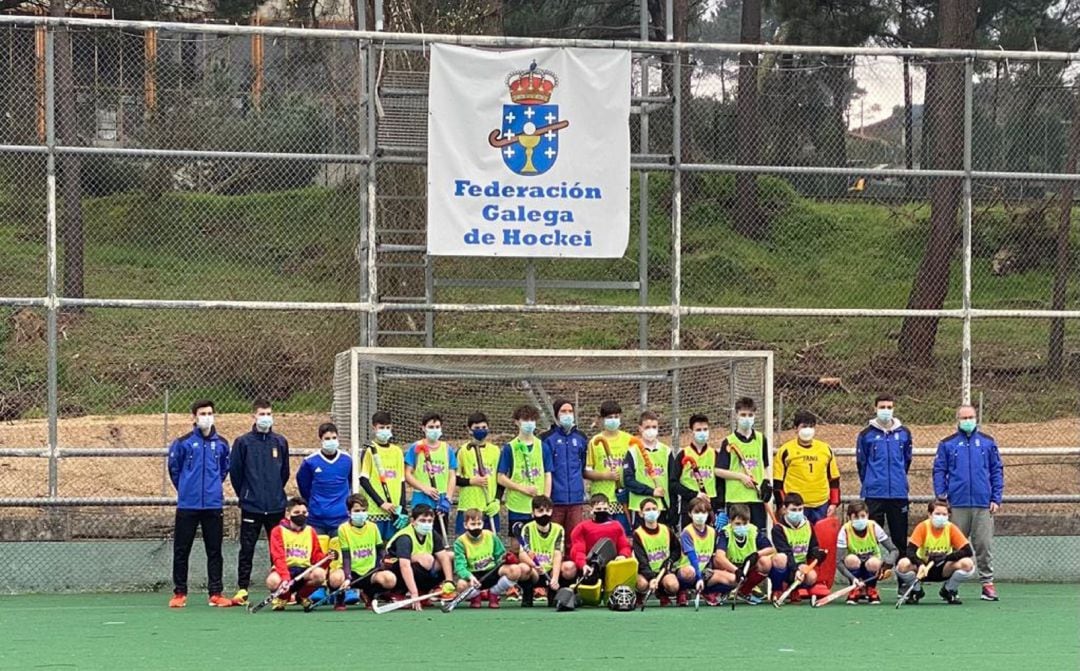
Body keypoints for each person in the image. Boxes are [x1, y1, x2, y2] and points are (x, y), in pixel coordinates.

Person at [933, 405, 1004, 602]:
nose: (967, 420)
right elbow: (939, 470)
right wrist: (941, 495)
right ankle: (950, 587)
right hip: (957, 504)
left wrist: (995, 498)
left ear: (976, 418)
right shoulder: (947, 444)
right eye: (964, 417)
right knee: (955, 547)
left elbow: (996, 470)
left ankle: (987, 584)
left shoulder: (988, 443)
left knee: (983, 545)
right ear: (957, 419)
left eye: (971, 417)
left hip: (983, 503)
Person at [167, 399, 231, 608]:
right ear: (194, 417)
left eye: (209, 413)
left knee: (214, 550)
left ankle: (215, 593)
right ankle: (180, 593)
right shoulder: (182, 442)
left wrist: (212, 489)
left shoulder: (221, 443)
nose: (206, 417)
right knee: (181, 550)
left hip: (213, 505)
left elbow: (223, 470)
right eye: (202, 413)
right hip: (188, 505)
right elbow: (174, 470)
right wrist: (187, 489)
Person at [227, 398, 290, 607]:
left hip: (275, 506)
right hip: (251, 506)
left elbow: (284, 472)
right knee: (247, 548)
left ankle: (281, 592)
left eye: (269, 414)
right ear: (253, 416)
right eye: (262, 414)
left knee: (278, 552)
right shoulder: (243, 442)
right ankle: (243, 589)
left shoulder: (280, 442)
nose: (266, 418)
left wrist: (274, 492)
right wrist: (246, 494)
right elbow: (235, 473)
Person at [855, 393, 913, 559]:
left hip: (898, 493)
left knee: (900, 539)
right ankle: (870, 581)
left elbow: (907, 460)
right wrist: (871, 482)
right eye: (882, 407)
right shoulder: (866, 435)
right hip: (874, 494)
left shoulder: (904, 433)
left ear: (894, 408)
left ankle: (904, 580)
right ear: (875, 409)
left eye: (889, 407)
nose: (885, 410)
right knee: (870, 539)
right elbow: (862, 463)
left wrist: (898, 479)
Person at [895, 500, 976, 605]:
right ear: (929, 514)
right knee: (902, 564)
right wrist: (919, 564)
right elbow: (910, 551)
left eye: (944, 514)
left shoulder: (951, 528)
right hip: (923, 568)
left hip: (944, 568)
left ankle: (949, 590)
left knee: (967, 563)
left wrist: (946, 558)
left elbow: (967, 551)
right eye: (937, 514)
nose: (941, 517)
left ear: (948, 515)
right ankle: (916, 591)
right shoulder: (922, 527)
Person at [327, 494, 397, 611]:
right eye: (357, 510)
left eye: (363, 510)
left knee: (390, 579)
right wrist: (348, 577)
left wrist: (382, 563)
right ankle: (340, 597)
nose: (361, 513)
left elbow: (380, 551)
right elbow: (346, 556)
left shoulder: (373, 527)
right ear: (349, 512)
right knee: (335, 579)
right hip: (350, 571)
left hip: (369, 571)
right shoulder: (343, 529)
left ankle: (369, 594)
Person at [497, 405, 553, 544]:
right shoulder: (510, 448)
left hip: (539, 507)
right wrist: (523, 489)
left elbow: (547, 474)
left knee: (539, 543)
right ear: (517, 422)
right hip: (518, 505)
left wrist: (546, 498)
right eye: (525, 419)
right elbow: (500, 477)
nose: (529, 423)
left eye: (532, 420)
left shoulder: (543, 446)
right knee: (517, 545)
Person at [384, 505, 456, 610]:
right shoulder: (405, 537)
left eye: (429, 521)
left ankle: (425, 591)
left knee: (450, 556)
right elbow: (404, 566)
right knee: (425, 560)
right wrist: (414, 594)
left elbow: (444, 557)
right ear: (413, 521)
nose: (426, 524)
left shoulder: (431, 533)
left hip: (419, 567)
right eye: (422, 520)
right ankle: (398, 593)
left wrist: (449, 581)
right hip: (395, 568)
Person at [773, 410, 840, 524]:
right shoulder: (786, 450)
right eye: (804, 426)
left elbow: (834, 479)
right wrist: (782, 505)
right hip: (795, 507)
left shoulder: (825, 449)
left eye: (811, 426)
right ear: (796, 428)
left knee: (819, 540)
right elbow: (778, 482)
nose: (808, 430)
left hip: (821, 505)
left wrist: (834, 503)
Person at [266, 497, 329, 611]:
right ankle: (283, 598)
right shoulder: (278, 531)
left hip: (304, 571)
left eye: (304, 513)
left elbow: (316, 557)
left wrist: (328, 558)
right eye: (296, 512)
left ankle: (302, 596)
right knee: (272, 581)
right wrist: (285, 578)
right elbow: (278, 557)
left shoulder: (310, 531)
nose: (301, 515)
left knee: (320, 575)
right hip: (285, 570)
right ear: (288, 514)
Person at [717, 397, 771, 529]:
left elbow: (764, 465)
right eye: (743, 415)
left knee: (758, 537)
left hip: (756, 498)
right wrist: (741, 477)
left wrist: (766, 482)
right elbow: (718, 470)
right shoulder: (729, 441)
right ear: (736, 415)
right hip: (737, 498)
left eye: (750, 415)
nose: (747, 418)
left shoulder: (761, 439)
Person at [540, 399, 589, 544]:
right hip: (554, 500)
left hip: (576, 500)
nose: (567, 414)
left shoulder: (581, 437)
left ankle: (574, 566)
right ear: (556, 414)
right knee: (554, 540)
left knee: (574, 539)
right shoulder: (546, 438)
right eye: (563, 411)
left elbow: (583, 465)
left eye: (570, 411)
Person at [453, 509, 524, 608]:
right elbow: (460, 566)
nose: (476, 527)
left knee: (515, 570)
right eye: (473, 524)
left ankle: (494, 593)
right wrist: (469, 577)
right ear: (465, 525)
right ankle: (475, 596)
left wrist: (505, 558)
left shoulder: (490, 535)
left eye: (479, 523)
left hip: (492, 571)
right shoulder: (460, 542)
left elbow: (500, 554)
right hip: (474, 576)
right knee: (461, 585)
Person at [296, 423, 352, 547]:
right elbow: (303, 485)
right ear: (320, 439)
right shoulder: (310, 461)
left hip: (341, 519)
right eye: (327, 438)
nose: (331, 441)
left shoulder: (347, 460)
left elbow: (350, 481)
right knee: (318, 557)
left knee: (339, 558)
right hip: (316, 520)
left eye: (334, 438)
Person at [404, 412, 457, 537]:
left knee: (439, 538)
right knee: (421, 536)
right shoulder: (416, 448)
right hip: (422, 498)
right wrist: (425, 488)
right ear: (423, 428)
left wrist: (448, 499)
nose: (435, 430)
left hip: (441, 500)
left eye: (437, 427)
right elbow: (407, 474)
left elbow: (452, 475)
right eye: (431, 427)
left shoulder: (447, 449)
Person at [836, 500, 898, 605]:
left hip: (872, 562)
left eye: (862, 516)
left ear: (867, 515)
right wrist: (853, 578)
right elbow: (838, 561)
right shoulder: (845, 530)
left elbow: (894, 550)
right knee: (851, 559)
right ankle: (855, 588)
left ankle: (871, 589)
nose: (860, 520)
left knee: (873, 563)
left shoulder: (873, 526)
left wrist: (888, 563)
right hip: (855, 563)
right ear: (849, 518)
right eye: (856, 517)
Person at [518, 495, 575, 607]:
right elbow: (522, 554)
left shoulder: (558, 529)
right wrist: (534, 565)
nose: (545, 514)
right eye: (540, 511)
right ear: (533, 512)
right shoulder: (528, 528)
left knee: (570, 567)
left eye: (548, 510)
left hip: (550, 570)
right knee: (523, 568)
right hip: (535, 571)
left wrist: (554, 578)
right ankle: (527, 595)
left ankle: (554, 593)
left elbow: (558, 554)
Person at [769, 493, 827, 604]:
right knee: (780, 558)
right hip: (784, 565)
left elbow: (812, 547)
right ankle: (777, 589)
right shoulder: (778, 529)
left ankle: (795, 590)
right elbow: (785, 552)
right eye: (794, 510)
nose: (797, 513)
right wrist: (795, 569)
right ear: (785, 509)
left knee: (812, 576)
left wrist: (818, 554)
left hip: (800, 565)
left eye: (800, 509)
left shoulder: (808, 525)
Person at [359, 410, 407, 541]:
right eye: (381, 427)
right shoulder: (369, 449)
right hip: (376, 510)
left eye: (387, 427)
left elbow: (401, 481)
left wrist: (402, 507)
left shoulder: (397, 451)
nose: (385, 430)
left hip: (395, 510)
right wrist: (381, 503)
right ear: (374, 428)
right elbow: (363, 480)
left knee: (393, 550)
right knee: (377, 547)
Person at [585, 401, 633, 534]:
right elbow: (587, 472)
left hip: (623, 497)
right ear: (602, 419)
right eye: (609, 417)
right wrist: (605, 476)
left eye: (616, 417)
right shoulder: (595, 441)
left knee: (624, 534)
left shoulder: (629, 440)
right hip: (602, 499)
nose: (613, 420)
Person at [622, 411, 675, 526]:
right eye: (647, 427)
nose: (651, 430)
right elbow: (628, 481)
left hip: (662, 506)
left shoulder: (666, 451)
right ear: (640, 428)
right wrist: (651, 491)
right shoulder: (633, 451)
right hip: (640, 508)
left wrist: (673, 508)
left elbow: (672, 481)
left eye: (654, 427)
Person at [715, 503, 775, 605]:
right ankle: (722, 591)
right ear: (730, 522)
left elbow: (771, 549)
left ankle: (744, 591)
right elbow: (719, 557)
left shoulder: (753, 530)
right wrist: (736, 570)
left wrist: (756, 554)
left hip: (748, 566)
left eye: (745, 523)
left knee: (766, 562)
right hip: (731, 568)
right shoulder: (725, 533)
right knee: (717, 562)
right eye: (738, 524)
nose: (742, 527)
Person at [455, 412, 503, 534]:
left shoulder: (495, 451)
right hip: (468, 506)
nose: (481, 430)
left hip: (489, 506)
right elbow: (453, 478)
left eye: (483, 427)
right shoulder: (462, 451)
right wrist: (471, 481)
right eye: (476, 428)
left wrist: (497, 500)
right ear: (469, 430)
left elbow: (501, 478)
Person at [671, 413, 722, 528]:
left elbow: (720, 483)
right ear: (691, 432)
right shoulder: (683, 454)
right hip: (689, 506)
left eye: (705, 429)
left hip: (710, 506)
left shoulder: (714, 454)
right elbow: (673, 483)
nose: (702, 433)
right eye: (698, 430)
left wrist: (718, 506)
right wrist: (694, 494)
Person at [674, 498, 728, 606]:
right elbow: (693, 558)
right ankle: (682, 590)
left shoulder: (712, 532)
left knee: (732, 579)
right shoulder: (687, 532)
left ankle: (707, 591)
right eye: (696, 512)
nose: (700, 515)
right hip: (687, 569)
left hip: (703, 570)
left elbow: (710, 556)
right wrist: (699, 578)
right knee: (690, 571)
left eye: (703, 512)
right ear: (690, 514)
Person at [569, 494, 633, 578]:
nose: (602, 511)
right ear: (591, 510)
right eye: (598, 509)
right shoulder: (581, 527)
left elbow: (624, 546)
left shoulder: (616, 526)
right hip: (590, 566)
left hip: (613, 564)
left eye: (605, 509)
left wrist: (623, 555)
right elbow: (578, 551)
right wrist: (583, 565)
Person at [633, 498, 681, 606]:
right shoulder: (638, 534)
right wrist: (651, 578)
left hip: (664, 570)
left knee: (673, 586)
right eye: (648, 509)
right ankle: (640, 594)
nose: (651, 512)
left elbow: (676, 549)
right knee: (641, 584)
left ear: (659, 512)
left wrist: (670, 560)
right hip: (645, 572)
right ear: (641, 513)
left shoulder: (666, 530)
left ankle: (663, 593)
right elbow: (641, 560)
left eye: (654, 509)